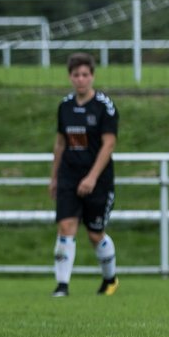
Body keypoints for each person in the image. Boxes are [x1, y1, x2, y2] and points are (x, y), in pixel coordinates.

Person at [49, 51, 119, 297]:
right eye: (76, 75)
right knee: (66, 226)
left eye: (85, 74)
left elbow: (109, 144)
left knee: (94, 233)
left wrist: (91, 177)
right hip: (69, 175)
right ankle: (62, 285)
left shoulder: (105, 107)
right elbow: (60, 143)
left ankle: (110, 279)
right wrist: (54, 177)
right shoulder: (65, 107)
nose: (81, 79)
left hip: (97, 179)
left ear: (92, 76)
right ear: (70, 77)